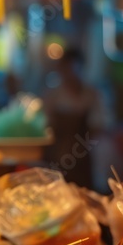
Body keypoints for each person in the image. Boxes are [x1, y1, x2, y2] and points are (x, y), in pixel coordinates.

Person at [44, 49, 107, 189]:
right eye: (64, 68)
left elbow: (100, 125)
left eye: (71, 67)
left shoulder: (91, 94)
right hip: (57, 156)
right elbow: (46, 125)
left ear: (80, 67)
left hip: (83, 157)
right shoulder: (53, 96)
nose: (68, 72)